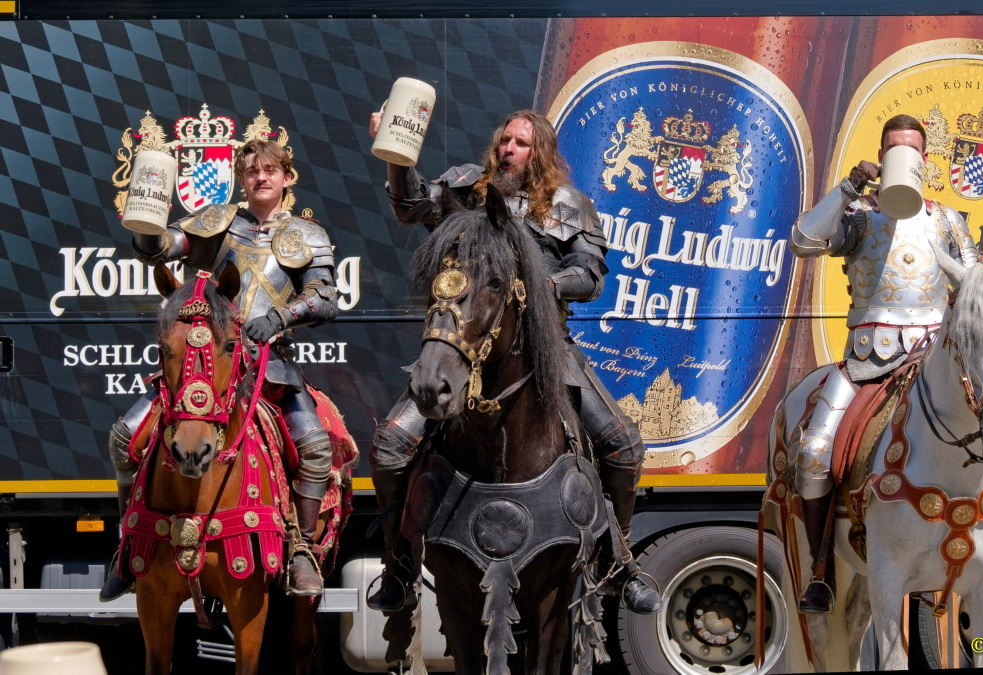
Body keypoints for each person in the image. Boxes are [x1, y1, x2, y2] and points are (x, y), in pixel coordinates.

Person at [366, 109, 662, 615]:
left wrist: (545, 285)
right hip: (465, 343)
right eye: (504, 140)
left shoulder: (569, 205)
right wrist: (397, 153)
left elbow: (589, 275)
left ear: (539, 152)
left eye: (521, 143)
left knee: (623, 445)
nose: (508, 149)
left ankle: (617, 562)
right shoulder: (466, 190)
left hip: (545, 347)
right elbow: (412, 204)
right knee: (391, 444)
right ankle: (398, 565)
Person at [99, 139, 338, 600]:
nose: (261, 178)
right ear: (241, 179)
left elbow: (325, 297)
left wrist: (280, 317)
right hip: (205, 362)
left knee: (313, 446)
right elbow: (166, 246)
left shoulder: (307, 234)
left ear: (287, 177)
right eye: (252, 171)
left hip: (269, 366)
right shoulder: (218, 221)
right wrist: (147, 230)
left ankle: (301, 549)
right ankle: (128, 544)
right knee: (123, 437)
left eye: (270, 170)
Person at [786, 114, 980, 613]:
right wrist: (849, 186)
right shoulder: (858, 216)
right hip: (867, 360)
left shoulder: (947, 220)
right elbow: (803, 242)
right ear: (881, 155)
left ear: (924, 160)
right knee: (813, 451)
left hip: (933, 360)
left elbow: (976, 286)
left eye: (909, 149)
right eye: (893, 148)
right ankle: (821, 571)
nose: (902, 156)